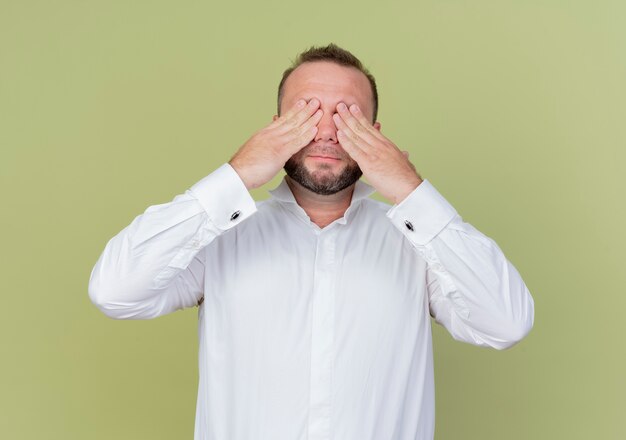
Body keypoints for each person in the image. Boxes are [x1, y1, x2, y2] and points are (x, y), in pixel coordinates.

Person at [88, 43, 534, 440]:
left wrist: (411, 192)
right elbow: (116, 292)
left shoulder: (418, 244)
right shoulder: (222, 235)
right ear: (275, 128)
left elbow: (506, 322)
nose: (324, 132)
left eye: (346, 115)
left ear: (375, 134)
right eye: (307, 113)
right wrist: (237, 175)